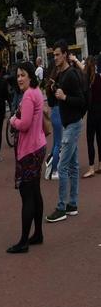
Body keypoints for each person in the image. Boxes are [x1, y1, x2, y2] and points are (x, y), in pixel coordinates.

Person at [8, 61, 48, 253]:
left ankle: (24, 240)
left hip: (30, 150)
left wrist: (12, 120)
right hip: (38, 146)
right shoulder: (36, 92)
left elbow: (23, 124)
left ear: (30, 76)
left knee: (27, 194)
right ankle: (38, 233)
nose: (20, 79)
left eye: (23, 75)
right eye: (18, 76)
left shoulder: (29, 95)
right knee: (35, 192)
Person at [50, 47, 87, 218]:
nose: (55, 58)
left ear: (65, 55)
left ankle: (61, 207)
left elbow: (81, 101)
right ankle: (72, 204)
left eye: (57, 55)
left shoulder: (71, 74)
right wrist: (53, 91)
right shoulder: (60, 74)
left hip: (72, 124)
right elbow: (53, 101)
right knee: (73, 166)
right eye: (54, 55)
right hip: (68, 123)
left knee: (62, 167)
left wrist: (64, 97)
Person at [86, 56, 101, 179]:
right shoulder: (99, 78)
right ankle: (100, 165)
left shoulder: (87, 81)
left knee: (90, 140)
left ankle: (91, 167)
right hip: (100, 111)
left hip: (91, 113)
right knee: (100, 140)